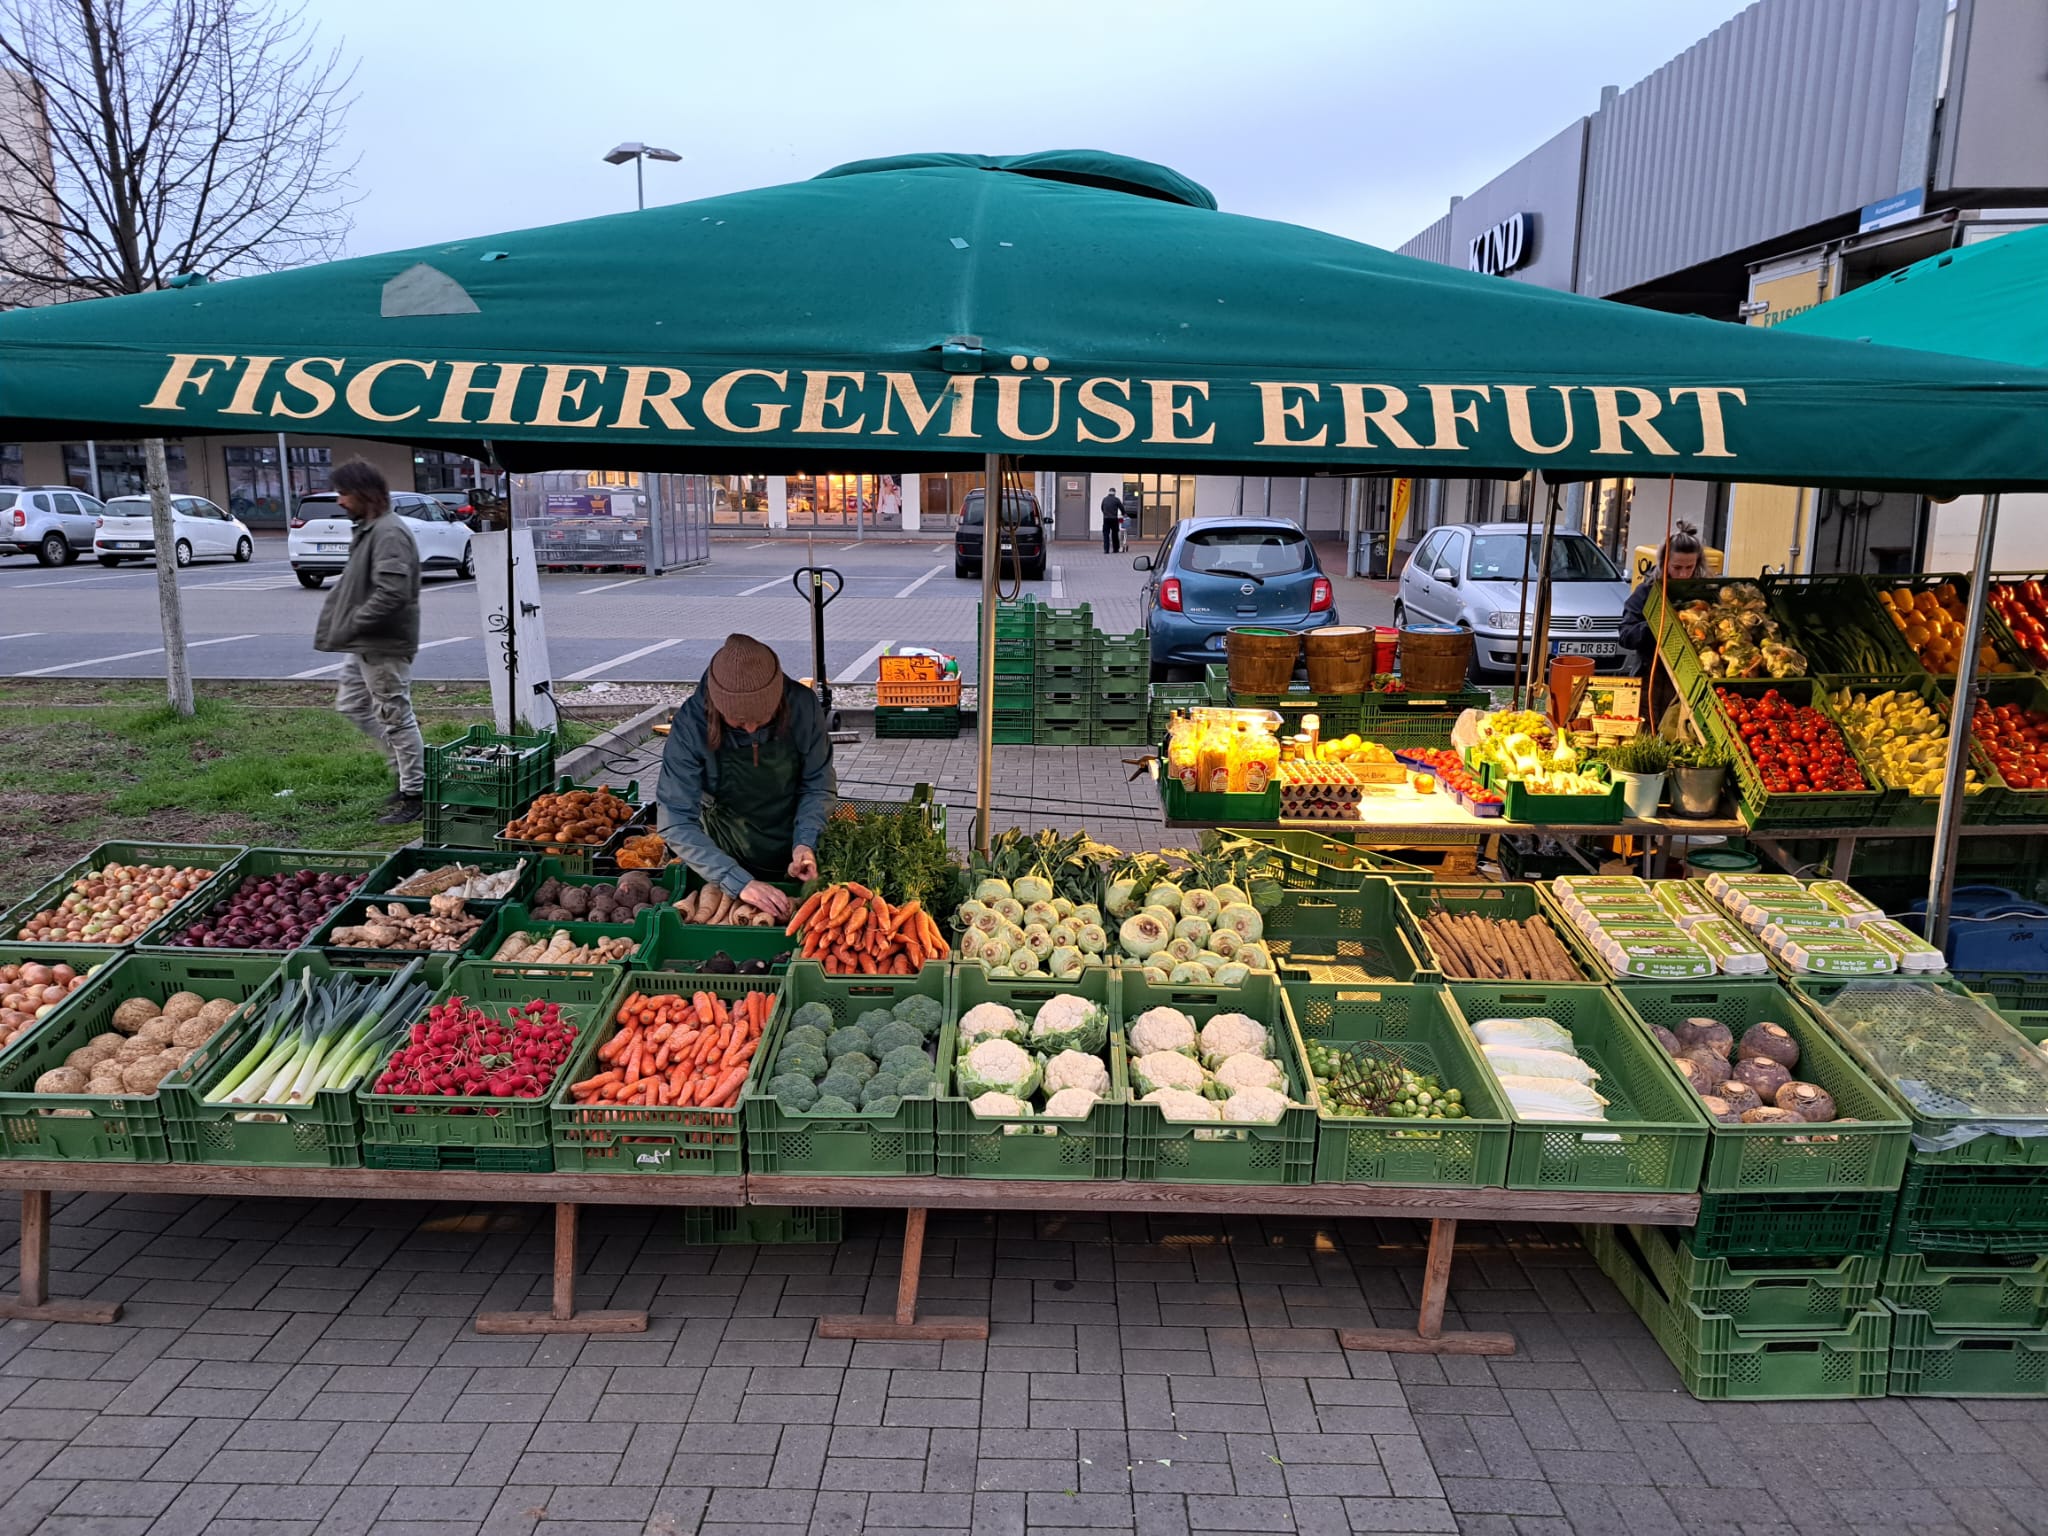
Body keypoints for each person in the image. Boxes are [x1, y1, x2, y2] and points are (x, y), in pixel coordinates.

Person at [656, 633, 836, 920]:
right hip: (721, 855)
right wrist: (736, 880)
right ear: (717, 706)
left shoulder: (802, 706)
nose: (751, 729)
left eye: (762, 719)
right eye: (739, 722)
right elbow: (674, 819)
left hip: (792, 845)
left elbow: (817, 784)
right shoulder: (692, 724)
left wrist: (805, 842)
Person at [312, 459, 426, 825]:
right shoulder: (371, 528)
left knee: (395, 716)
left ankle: (416, 793)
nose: (340, 502)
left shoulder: (388, 532)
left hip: (383, 643)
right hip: (366, 642)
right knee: (352, 705)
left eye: (344, 494)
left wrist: (354, 623)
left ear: (365, 494)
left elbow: (392, 593)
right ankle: (404, 772)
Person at [1619, 520, 1704, 677]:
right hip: (1649, 676)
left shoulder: (1704, 592)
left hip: (1690, 676)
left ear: (1697, 564)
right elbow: (1626, 636)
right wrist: (1655, 623)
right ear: (1664, 563)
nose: (1683, 575)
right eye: (1677, 568)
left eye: (1689, 568)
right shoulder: (1646, 591)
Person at [1100, 486, 1124, 554]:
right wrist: (1123, 513)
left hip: (1106, 519)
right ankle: (1115, 549)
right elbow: (1121, 508)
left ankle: (1106, 550)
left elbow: (1102, 508)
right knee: (1115, 534)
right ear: (1114, 493)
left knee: (1106, 535)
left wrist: (1105, 514)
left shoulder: (1104, 499)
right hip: (1114, 519)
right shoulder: (1116, 499)